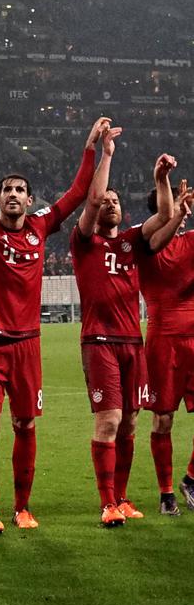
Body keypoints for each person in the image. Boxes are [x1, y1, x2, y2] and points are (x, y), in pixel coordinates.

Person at [0, 115, 110, 535]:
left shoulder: (41, 227)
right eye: (6, 190)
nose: (13, 195)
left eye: (20, 190)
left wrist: (91, 147)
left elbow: (79, 193)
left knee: (25, 424)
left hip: (27, 344)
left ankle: (22, 507)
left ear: (29, 200)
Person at [72, 142, 179, 527]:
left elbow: (166, 213)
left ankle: (121, 496)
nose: (110, 204)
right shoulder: (84, 241)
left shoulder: (132, 240)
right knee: (110, 420)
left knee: (131, 421)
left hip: (133, 343)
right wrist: (108, 155)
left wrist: (160, 178)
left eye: (116, 200)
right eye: (104, 201)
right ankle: (106, 503)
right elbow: (94, 197)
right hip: (99, 342)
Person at [138, 181, 194, 515]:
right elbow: (159, 242)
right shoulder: (144, 243)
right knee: (163, 420)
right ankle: (166, 493)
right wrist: (175, 213)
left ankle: (190, 478)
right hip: (163, 341)